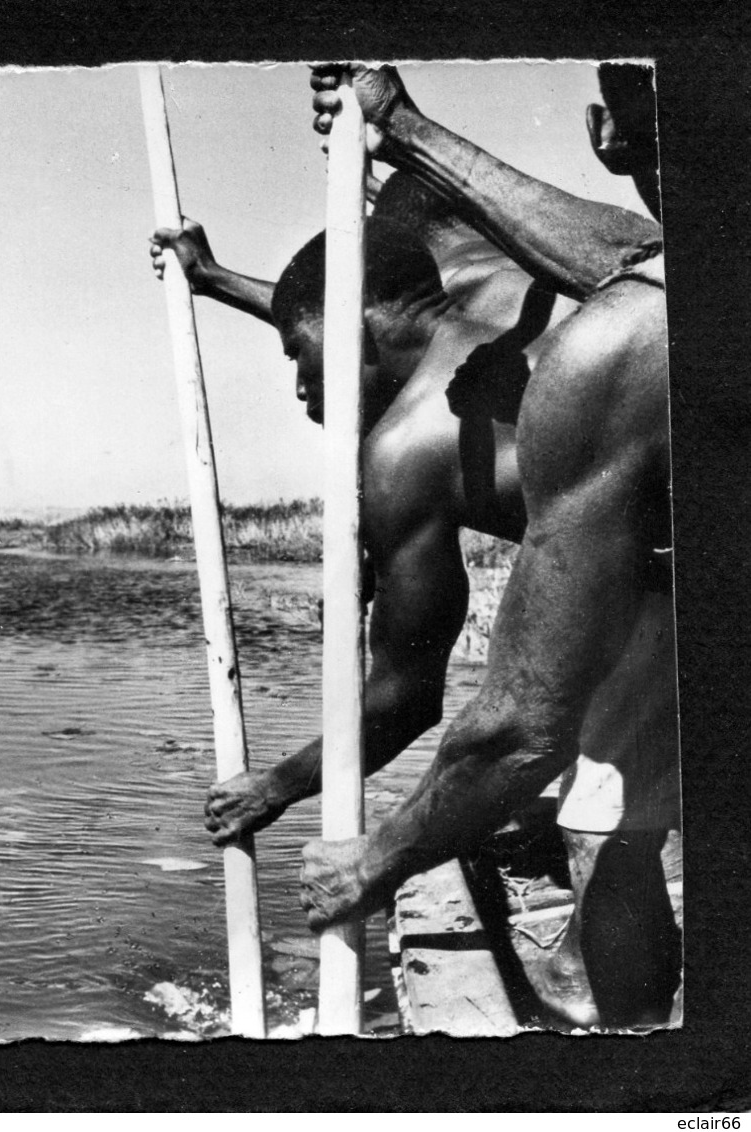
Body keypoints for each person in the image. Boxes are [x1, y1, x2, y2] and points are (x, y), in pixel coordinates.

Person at [284, 62, 678, 1028]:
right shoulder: (595, 300)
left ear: (609, 135)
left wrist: (371, 860)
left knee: (608, 820)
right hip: (662, 575)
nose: (302, 394)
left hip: (641, 592)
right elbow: (628, 248)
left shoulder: (615, 345)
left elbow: (511, 728)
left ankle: (629, 1039)